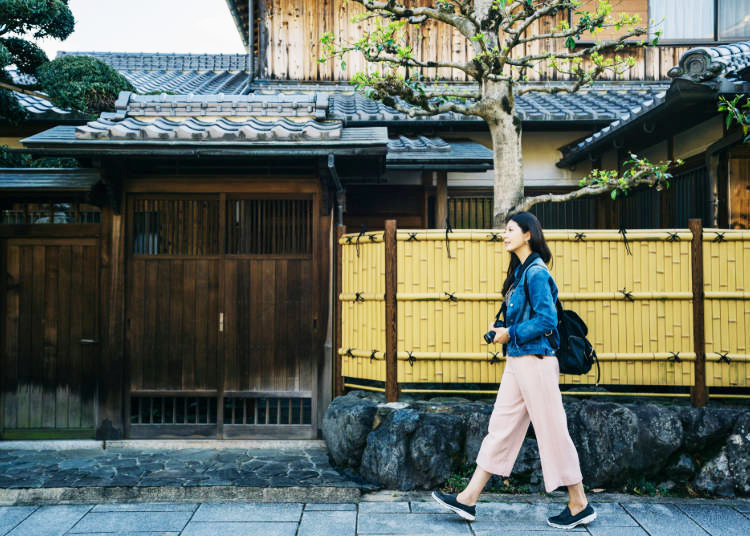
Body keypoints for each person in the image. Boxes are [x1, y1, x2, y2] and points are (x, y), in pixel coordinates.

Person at [431, 211, 596, 530]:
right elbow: (523, 318)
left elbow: (547, 321)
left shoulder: (536, 273)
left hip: (536, 362)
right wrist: (501, 328)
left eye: (509, 230)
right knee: (501, 428)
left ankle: (579, 503)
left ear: (527, 234)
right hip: (518, 361)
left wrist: (512, 333)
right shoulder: (521, 273)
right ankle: (467, 499)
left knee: (552, 431)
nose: (504, 235)